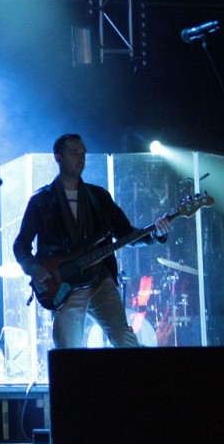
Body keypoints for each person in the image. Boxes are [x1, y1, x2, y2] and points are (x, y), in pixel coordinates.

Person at [12, 134, 171, 348]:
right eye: (74, 153)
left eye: (83, 153)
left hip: (99, 280)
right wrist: (36, 269)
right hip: (64, 287)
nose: (81, 158)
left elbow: (126, 233)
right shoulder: (41, 201)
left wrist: (155, 234)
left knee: (125, 340)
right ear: (58, 157)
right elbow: (21, 245)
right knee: (68, 349)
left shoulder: (98, 197)